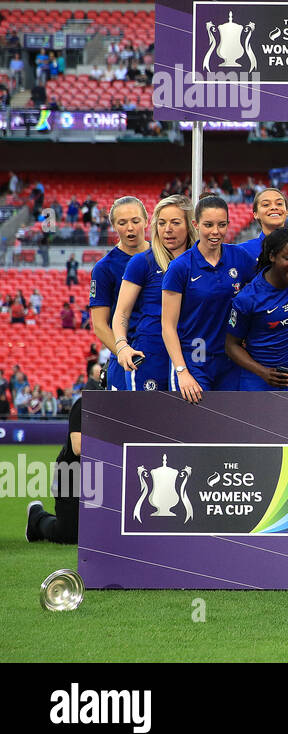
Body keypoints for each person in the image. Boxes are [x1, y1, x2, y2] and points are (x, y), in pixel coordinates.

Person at [160, 196, 258, 403]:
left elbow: (267, 283)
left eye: (221, 225)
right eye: (208, 225)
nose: (215, 231)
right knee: (195, 429)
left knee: (230, 428)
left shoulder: (239, 257)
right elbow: (168, 326)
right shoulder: (180, 267)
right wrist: (181, 371)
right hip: (194, 360)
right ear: (195, 225)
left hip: (231, 360)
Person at [112, 195, 197, 391]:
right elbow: (122, 313)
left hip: (192, 352)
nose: (167, 229)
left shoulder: (200, 262)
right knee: (147, 419)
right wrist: (122, 345)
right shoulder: (142, 262)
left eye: (175, 222)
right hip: (150, 353)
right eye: (162, 223)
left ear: (190, 225)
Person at [225, 228, 288, 390]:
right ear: (272, 256)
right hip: (262, 381)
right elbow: (231, 346)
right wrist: (263, 372)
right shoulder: (248, 298)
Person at [89, 199, 151, 391]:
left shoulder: (166, 257)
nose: (130, 228)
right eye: (122, 223)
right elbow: (99, 325)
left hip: (164, 356)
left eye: (135, 220)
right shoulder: (104, 268)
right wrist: (124, 352)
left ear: (146, 221)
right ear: (114, 226)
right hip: (127, 358)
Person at [25, 399, 83, 545]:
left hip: (101, 473)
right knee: (69, 535)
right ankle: (37, 516)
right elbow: (78, 448)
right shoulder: (85, 403)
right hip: (71, 473)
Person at [237, 187, 288, 262]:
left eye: (279, 203)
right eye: (266, 204)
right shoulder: (243, 250)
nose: (274, 207)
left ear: (286, 211)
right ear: (255, 214)